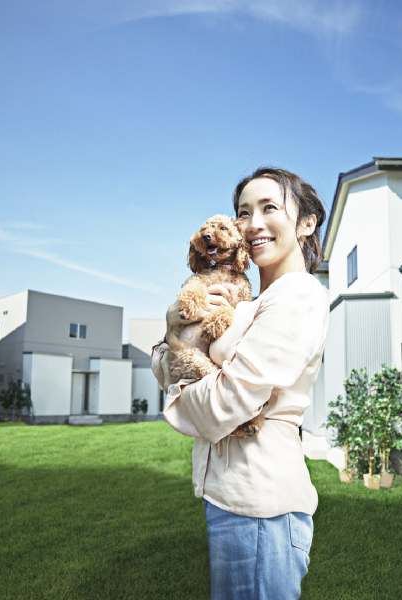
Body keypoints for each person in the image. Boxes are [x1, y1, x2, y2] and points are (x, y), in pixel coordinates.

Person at [151, 166, 329, 600]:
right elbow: (163, 359)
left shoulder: (296, 295)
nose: (252, 224)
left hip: (260, 506)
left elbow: (226, 402)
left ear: (306, 223)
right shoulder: (249, 299)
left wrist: (176, 387)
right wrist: (175, 334)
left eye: (270, 207)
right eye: (243, 212)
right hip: (233, 499)